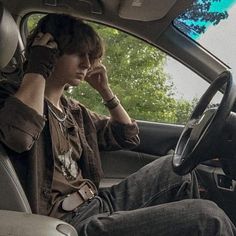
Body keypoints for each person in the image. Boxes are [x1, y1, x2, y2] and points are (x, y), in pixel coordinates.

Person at [0, 13, 235, 236]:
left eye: (90, 57)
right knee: (208, 217)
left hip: (97, 203)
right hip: (66, 225)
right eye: (78, 53)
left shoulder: (74, 111)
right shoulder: (11, 100)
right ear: (50, 51)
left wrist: (105, 91)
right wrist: (38, 66)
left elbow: (127, 135)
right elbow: (19, 135)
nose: (87, 63)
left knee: (176, 171)